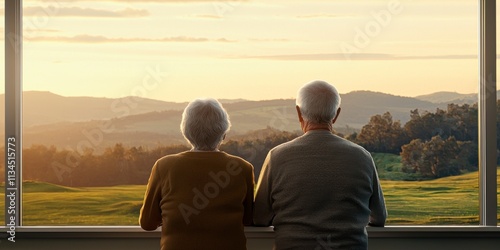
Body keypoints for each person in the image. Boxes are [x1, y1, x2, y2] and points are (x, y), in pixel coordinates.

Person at [254, 80, 387, 250]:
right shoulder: (362, 157)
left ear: (299, 113)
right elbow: (379, 217)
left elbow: (259, 218)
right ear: (336, 114)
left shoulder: (277, 156)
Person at [139, 98, 254, 250]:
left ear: (185, 132)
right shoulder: (243, 168)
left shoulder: (164, 166)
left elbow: (147, 223)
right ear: (224, 134)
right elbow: (248, 219)